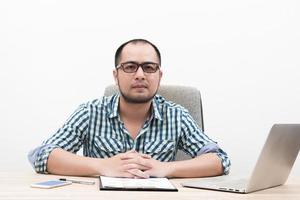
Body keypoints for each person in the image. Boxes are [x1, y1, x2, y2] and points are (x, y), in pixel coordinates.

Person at [28, 39, 230, 178]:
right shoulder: (90, 112)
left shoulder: (176, 115)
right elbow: (41, 155)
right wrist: (103, 166)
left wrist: (164, 168)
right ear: (116, 75)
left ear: (159, 75)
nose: (140, 75)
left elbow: (219, 159)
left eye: (149, 67)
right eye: (130, 67)